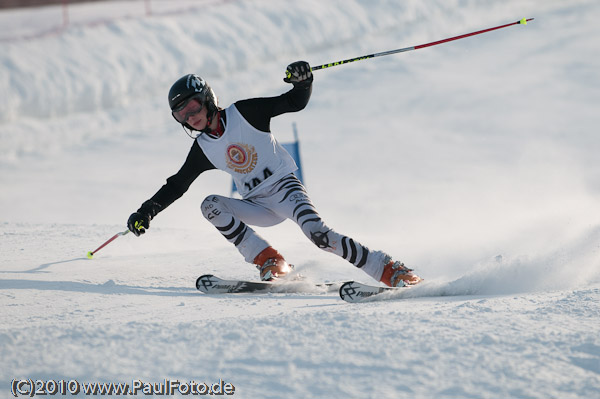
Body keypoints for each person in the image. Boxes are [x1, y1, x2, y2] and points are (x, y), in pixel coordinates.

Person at [127, 61, 422, 287]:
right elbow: (177, 185)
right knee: (210, 205)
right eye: (182, 114)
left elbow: (293, 102)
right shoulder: (203, 147)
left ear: (207, 99)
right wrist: (146, 212)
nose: (191, 117)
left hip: (286, 189)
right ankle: (270, 261)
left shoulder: (245, 113)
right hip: (258, 205)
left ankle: (389, 269)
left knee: (319, 235)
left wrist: (303, 82)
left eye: (192, 106)